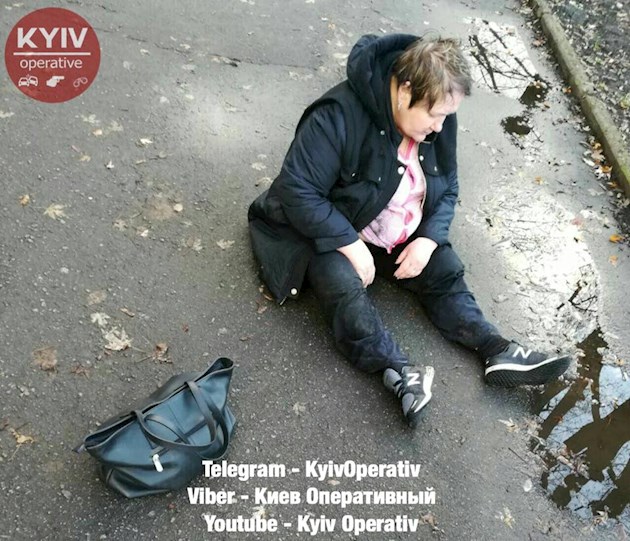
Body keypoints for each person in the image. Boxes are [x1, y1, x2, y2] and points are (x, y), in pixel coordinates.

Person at [247, 33, 571, 428]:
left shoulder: (438, 115)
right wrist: (349, 243)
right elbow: (298, 191)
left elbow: (448, 185)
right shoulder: (337, 116)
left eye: (446, 116)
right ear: (404, 91)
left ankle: (496, 349)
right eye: (434, 115)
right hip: (334, 227)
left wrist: (429, 239)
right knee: (342, 284)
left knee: (444, 267)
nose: (439, 127)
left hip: (395, 228)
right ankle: (398, 370)